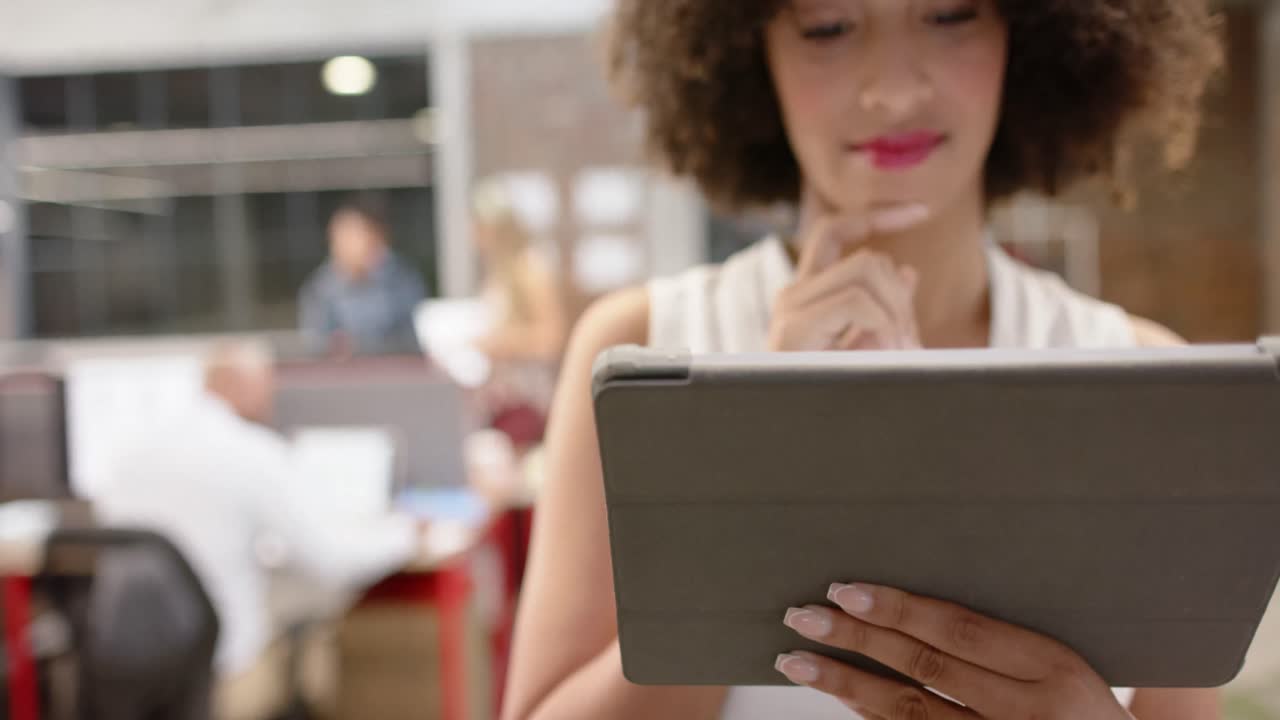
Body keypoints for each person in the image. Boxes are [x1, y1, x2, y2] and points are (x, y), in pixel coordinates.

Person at [504, 1, 1223, 719]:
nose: (895, 90)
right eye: (828, 28)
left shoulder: (1143, 380)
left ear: (1030, 34)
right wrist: (755, 468)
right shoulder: (646, 353)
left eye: (950, 15)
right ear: (752, 53)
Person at [98, 341, 420, 720]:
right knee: (318, 617)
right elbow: (332, 560)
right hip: (222, 670)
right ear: (239, 385)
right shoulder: (251, 452)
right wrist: (408, 535)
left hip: (130, 665)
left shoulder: (131, 453)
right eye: (266, 385)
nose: (271, 399)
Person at [299, 201, 426, 356]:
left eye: (356, 235)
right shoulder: (319, 289)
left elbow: (414, 334)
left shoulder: (401, 279)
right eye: (342, 237)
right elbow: (317, 345)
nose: (348, 244)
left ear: (374, 238)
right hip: (343, 376)